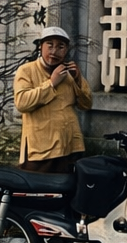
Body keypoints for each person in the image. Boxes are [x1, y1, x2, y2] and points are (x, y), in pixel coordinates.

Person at [12, 27, 91, 175]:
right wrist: (51, 83)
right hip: (40, 149)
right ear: (40, 46)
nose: (54, 51)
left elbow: (86, 104)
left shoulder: (68, 72)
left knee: (67, 187)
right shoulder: (26, 70)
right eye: (50, 45)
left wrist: (77, 79)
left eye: (60, 47)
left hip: (70, 146)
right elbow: (22, 103)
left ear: (66, 50)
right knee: (37, 187)